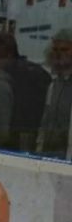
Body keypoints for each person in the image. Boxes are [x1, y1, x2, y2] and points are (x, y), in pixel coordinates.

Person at [36, 29, 72, 159]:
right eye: (56, 50)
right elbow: (45, 123)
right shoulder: (54, 84)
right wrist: (39, 151)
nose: (59, 54)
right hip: (49, 157)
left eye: (64, 50)